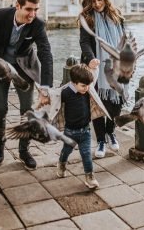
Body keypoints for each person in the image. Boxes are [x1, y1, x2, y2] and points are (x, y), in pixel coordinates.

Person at [0, 0, 53, 170]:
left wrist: (46, 87)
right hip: (0, 67)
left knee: (27, 111)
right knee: (0, 109)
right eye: (29, 9)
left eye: (36, 10)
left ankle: (24, 150)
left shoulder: (37, 24)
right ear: (17, 5)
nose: (33, 14)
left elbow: (45, 53)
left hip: (25, 69)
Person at [38, 59, 110, 189]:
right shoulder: (65, 93)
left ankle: (90, 177)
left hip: (86, 131)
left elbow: (92, 77)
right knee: (66, 151)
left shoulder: (87, 89)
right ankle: (61, 163)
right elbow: (53, 96)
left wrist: (93, 67)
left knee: (86, 154)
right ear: (74, 83)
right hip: (70, 132)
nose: (86, 88)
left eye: (87, 85)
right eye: (83, 86)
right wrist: (43, 95)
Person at [79, 0, 126, 158]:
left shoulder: (117, 16)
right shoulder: (87, 18)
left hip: (118, 67)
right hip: (96, 68)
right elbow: (84, 41)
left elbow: (125, 41)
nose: (97, 4)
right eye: (93, 1)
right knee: (97, 105)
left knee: (116, 104)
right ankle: (100, 140)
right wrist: (91, 58)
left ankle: (110, 132)